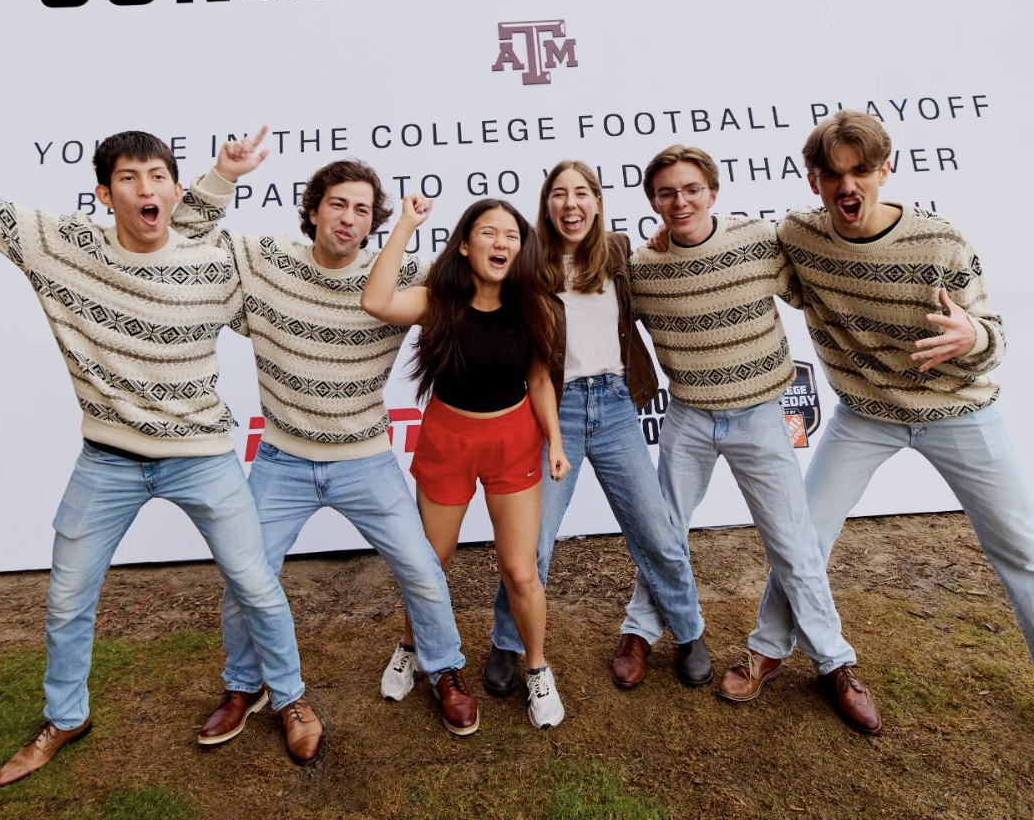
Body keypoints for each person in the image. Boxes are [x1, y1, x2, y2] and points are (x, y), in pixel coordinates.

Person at [0, 37, 324, 779]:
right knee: (65, 599)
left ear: (176, 191)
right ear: (104, 195)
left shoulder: (214, 261)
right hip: (107, 461)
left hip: (204, 458)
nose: (146, 188)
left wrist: (223, 181)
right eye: (128, 178)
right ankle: (65, 716)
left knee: (256, 586)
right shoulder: (60, 247)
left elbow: (288, 296)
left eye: (159, 176)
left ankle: (291, 699)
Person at [764, 110, 1034, 780]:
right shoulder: (798, 236)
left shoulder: (941, 241)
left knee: (1026, 555)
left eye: (861, 171)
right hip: (865, 413)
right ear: (814, 180)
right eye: (833, 174)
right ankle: (769, 650)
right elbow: (743, 263)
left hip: (959, 412)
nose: (848, 186)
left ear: (885, 170)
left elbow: (993, 337)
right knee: (801, 538)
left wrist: (972, 337)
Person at [175, 160, 479, 739]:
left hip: (365, 459)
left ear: (373, 223)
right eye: (337, 204)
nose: (348, 218)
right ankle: (245, 685)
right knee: (245, 576)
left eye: (362, 210)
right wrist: (222, 175)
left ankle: (443, 669)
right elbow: (184, 239)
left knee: (421, 568)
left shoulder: (395, 273)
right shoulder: (265, 260)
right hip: (281, 461)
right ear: (313, 210)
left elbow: (481, 279)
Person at [629, 145, 880, 734]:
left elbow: (821, 279)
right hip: (688, 415)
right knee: (663, 533)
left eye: (692, 189)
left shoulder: (759, 241)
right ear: (654, 203)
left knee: (793, 542)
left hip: (760, 414)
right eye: (667, 193)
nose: (681, 202)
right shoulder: (643, 267)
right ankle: (638, 632)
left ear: (713, 193)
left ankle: (834, 663)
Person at [481, 161, 712, 696]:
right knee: (532, 543)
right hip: (553, 410)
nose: (571, 204)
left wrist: (664, 237)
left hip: (614, 407)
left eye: (582, 193)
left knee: (657, 533)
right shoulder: (526, 263)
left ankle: (689, 632)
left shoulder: (620, 252)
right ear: (546, 206)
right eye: (559, 194)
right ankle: (507, 643)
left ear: (597, 202)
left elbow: (673, 253)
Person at [361, 196, 570, 728]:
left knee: (520, 569)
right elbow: (377, 301)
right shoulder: (437, 300)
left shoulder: (535, 306)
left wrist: (555, 441)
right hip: (447, 439)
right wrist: (406, 224)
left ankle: (537, 668)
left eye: (511, 235)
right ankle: (411, 647)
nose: (501, 243)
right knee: (430, 562)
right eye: (488, 233)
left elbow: (540, 380)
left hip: (513, 441)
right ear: (464, 244)